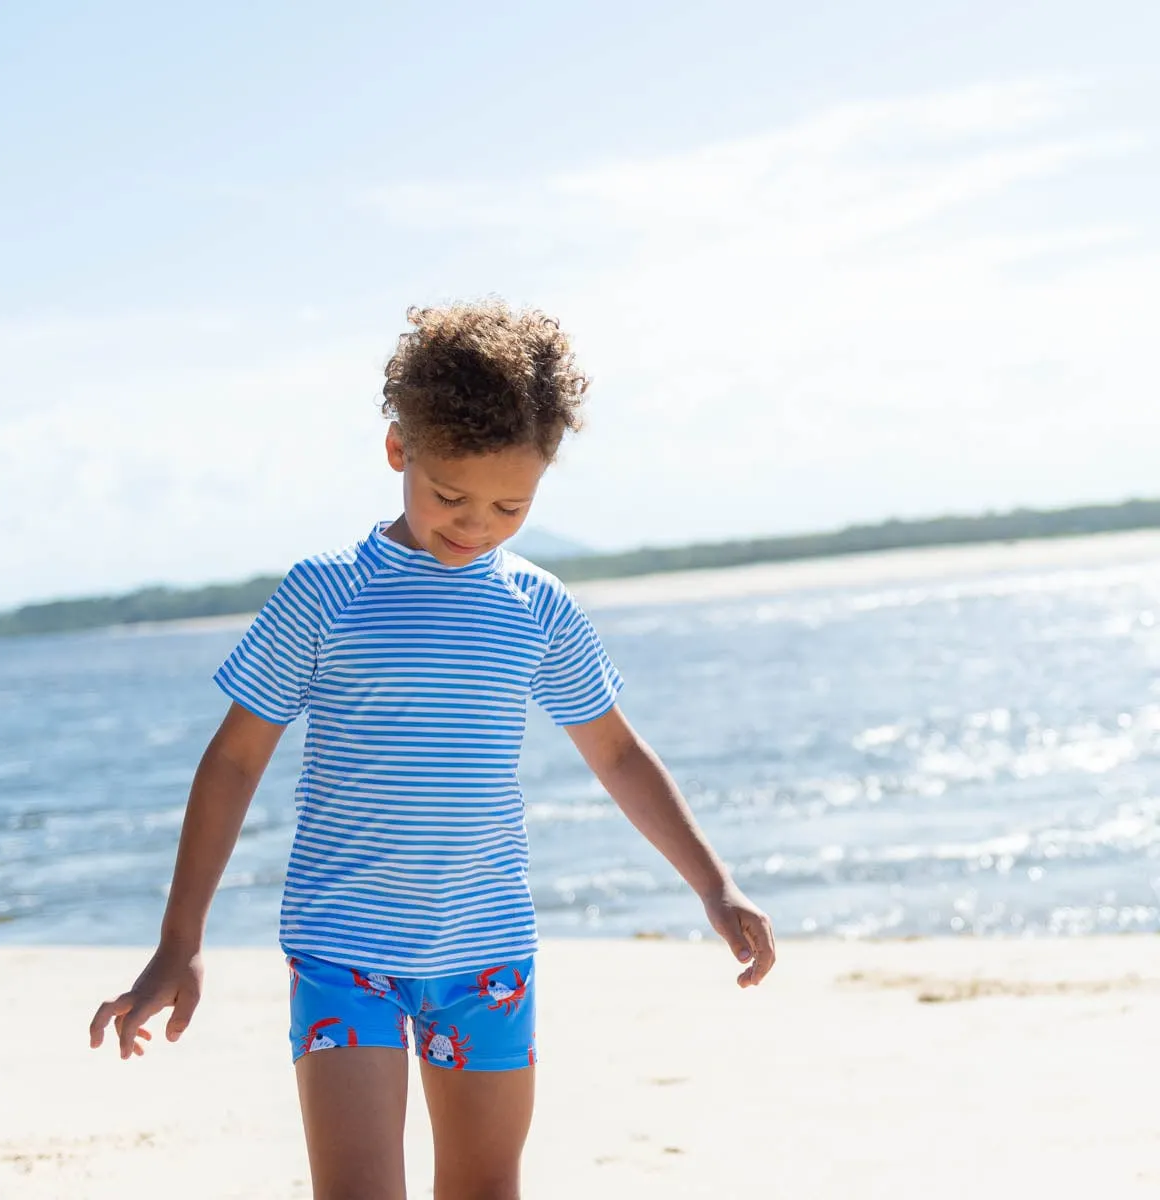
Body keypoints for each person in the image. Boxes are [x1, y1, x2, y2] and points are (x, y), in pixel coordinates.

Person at [89, 301, 776, 1200]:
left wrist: (714, 883)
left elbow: (615, 752)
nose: (477, 524)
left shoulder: (537, 607)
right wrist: (180, 940)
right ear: (397, 450)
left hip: (486, 953)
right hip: (344, 953)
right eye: (450, 495)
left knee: (486, 1187)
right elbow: (233, 762)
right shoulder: (327, 594)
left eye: (511, 505)